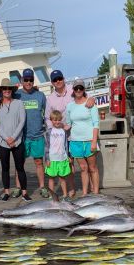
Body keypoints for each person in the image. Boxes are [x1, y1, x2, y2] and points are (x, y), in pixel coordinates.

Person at [45, 69, 96, 198]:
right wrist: (54, 131)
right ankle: (71, 189)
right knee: (69, 164)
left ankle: (91, 189)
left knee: (80, 164)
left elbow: (85, 97)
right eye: (55, 80)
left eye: (60, 78)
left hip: (74, 134)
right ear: (52, 82)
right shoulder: (50, 98)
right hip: (59, 134)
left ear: (63, 78)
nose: (58, 81)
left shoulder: (73, 90)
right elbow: (47, 118)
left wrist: (93, 99)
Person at [12, 68, 50, 198]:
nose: (28, 82)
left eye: (31, 80)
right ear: (22, 80)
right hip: (22, 137)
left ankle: (42, 187)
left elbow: (47, 113)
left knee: (39, 162)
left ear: (33, 81)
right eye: (26, 80)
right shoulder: (16, 95)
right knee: (20, 163)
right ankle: (18, 187)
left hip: (38, 135)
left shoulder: (40, 95)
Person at [0, 78, 31, 202]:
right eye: (4, 88)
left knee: (20, 168)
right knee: (5, 168)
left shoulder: (19, 103)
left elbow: (22, 121)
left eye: (9, 88)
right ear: (1, 91)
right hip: (3, 143)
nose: (7, 90)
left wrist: (13, 137)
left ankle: (24, 192)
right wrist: (7, 138)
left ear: (12, 90)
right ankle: (7, 192)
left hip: (17, 141)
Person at [66, 79, 100, 195]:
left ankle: (95, 193)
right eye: (76, 88)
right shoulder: (70, 106)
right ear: (73, 90)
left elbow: (96, 124)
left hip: (90, 140)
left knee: (93, 168)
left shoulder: (91, 104)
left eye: (80, 88)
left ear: (84, 89)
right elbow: (68, 124)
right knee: (83, 168)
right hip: (75, 142)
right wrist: (57, 126)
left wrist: (94, 141)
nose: (78, 90)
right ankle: (85, 193)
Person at [44, 110, 71, 199]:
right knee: (51, 178)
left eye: (59, 120)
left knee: (62, 178)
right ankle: (52, 195)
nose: (57, 122)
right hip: (52, 158)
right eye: (55, 120)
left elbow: (66, 145)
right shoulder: (49, 132)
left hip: (62, 158)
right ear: (51, 120)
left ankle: (65, 194)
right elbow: (47, 146)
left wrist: (68, 156)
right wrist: (47, 159)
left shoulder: (64, 131)